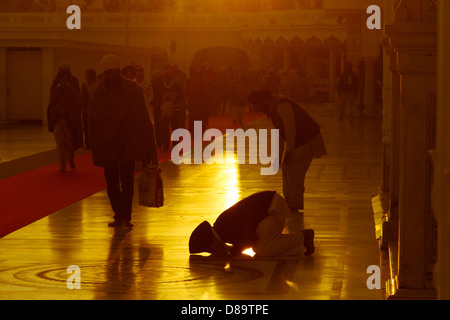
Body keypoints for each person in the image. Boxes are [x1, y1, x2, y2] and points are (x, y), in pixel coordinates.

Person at [89, 54, 158, 229]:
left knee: (126, 181)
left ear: (119, 72)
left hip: (127, 142)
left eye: (114, 73)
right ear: (104, 74)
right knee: (111, 183)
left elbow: (141, 117)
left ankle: (126, 217)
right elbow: (94, 117)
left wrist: (147, 145)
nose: (111, 77)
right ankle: (118, 215)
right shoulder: (100, 91)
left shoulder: (132, 89)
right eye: (108, 74)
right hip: (108, 144)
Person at [247, 89, 327, 213]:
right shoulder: (274, 108)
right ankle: (291, 202)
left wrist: (289, 151)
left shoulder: (282, 105)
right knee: (288, 169)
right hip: (299, 142)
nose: (256, 109)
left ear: (263, 101)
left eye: (256, 105)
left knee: (293, 172)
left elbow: (291, 129)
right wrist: (278, 157)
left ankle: (294, 204)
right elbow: (280, 133)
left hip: (306, 140)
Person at [189, 191, 315, 258]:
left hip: (271, 209)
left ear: (213, 244)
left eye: (212, 250)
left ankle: (303, 238)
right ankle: (301, 238)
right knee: (263, 246)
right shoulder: (221, 227)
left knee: (263, 249)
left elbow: (250, 238)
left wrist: (230, 253)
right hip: (268, 209)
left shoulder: (224, 231)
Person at [47, 69, 83, 172]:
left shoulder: (72, 91)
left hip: (69, 122)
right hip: (58, 121)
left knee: (69, 143)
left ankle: (70, 157)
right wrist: (58, 111)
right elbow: (51, 107)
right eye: (62, 80)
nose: (63, 82)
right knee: (60, 144)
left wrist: (67, 110)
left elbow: (77, 105)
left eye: (65, 80)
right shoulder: (55, 91)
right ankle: (62, 166)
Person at [80, 69, 97, 149]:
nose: (85, 76)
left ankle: (94, 142)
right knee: (86, 127)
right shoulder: (84, 85)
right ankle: (87, 143)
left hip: (95, 110)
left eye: (87, 74)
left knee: (94, 127)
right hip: (86, 109)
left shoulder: (97, 85)